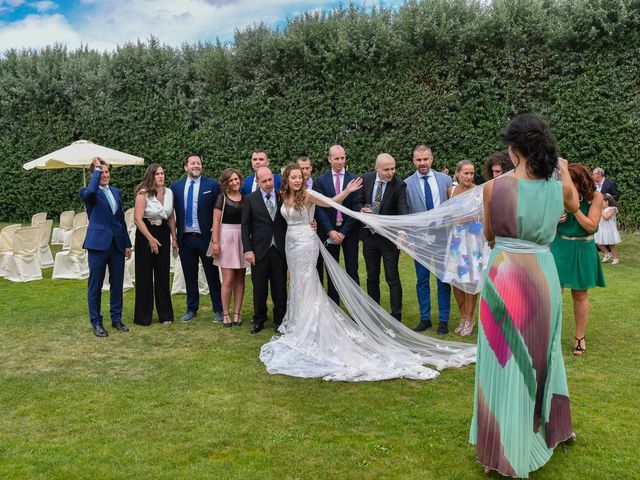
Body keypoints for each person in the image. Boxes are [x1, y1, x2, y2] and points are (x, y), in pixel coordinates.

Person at [259, 163, 476, 381]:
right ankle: (298, 322)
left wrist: (347, 192)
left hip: (306, 242)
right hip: (291, 242)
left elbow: (332, 203)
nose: (298, 180)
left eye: (300, 177)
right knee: (297, 282)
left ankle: (310, 325)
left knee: (308, 281)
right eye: (294, 177)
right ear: (286, 179)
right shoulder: (283, 196)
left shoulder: (308, 194)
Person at [470, 113, 578, 477]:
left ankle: (502, 446)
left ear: (513, 149)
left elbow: (488, 234)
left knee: (502, 361)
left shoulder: (493, 188)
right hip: (543, 274)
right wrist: (561, 169)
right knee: (541, 355)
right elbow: (575, 204)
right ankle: (550, 427)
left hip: (503, 274)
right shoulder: (559, 187)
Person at [551, 163, 605, 356]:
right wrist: (554, 219)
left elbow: (591, 226)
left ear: (581, 182)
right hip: (560, 246)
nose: (567, 187)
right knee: (553, 293)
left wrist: (574, 209)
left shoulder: (596, 197)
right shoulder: (559, 194)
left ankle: (579, 337)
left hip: (583, 248)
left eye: (571, 183)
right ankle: (550, 337)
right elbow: (543, 223)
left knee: (580, 294)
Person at [79, 157, 132, 337]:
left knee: (117, 283)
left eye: (107, 171)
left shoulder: (116, 192)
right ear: (94, 174)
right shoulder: (87, 192)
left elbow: (120, 220)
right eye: (101, 171)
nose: (105, 174)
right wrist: (96, 171)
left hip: (116, 244)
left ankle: (116, 319)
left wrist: (127, 244)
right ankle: (96, 322)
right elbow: (90, 194)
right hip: (97, 245)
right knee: (95, 285)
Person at [405, 144, 453, 334]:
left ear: (431, 159)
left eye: (426, 159)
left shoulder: (445, 180)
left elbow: (453, 207)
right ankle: (425, 319)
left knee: (443, 279)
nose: (422, 163)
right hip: (420, 239)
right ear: (413, 161)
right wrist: (410, 240)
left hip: (442, 236)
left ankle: (443, 320)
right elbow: (407, 213)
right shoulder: (407, 183)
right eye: (419, 160)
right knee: (422, 280)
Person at [170, 153, 223, 323]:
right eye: (192, 163)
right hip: (185, 239)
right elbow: (171, 213)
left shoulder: (212, 185)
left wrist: (216, 238)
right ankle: (192, 308)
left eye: (198, 163)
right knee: (189, 275)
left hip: (206, 238)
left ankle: (219, 309)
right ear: (186, 167)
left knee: (212, 274)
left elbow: (220, 212)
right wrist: (174, 238)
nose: (196, 166)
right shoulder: (176, 187)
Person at [356, 153, 408, 322]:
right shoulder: (367, 178)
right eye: (386, 169)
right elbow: (357, 201)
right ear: (376, 168)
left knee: (392, 277)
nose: (391, 172)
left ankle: (396, 315)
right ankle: (374, 312)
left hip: (389, 239)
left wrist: (401, 233)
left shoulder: (399, 185)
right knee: (372, 276)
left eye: (393, 168)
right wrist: (361, 209)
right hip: (369, 237)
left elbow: (403, 210)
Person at [241, 167, 289, 333]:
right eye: (264, 181)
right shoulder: (250, 199)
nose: (268, 184)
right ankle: (259, 318)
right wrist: (248, 250)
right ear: (257, 182)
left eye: (270, 180)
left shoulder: (283, 196)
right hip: (259, 251)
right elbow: (245, 228)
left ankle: (280, 319)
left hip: (279, 249)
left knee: (280, 287)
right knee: (259, 288)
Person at [313, 144, 361, 304]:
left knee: (352, 271)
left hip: (350, 232)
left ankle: (357, 310)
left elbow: (356, 208)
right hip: (329, 232)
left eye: (342, 158)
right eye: (336, 158)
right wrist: (330, 231)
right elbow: (319, 208)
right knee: (331, 271)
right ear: (329, 159)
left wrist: (344, 232)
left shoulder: (354, 180)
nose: (340, 161)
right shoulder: (321, 180)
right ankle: (335, 308)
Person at [133, 163, 177, 326]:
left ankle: (165, 315)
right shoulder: (143, 194)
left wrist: (174, 238)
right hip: (145, 233)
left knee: (162, 274)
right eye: (157, 174)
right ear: (151, 176)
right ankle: (143, 317)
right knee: (144, 275)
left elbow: (171, 216)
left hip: (163, 232)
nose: (161, 176)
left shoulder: (170, 193)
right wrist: (151, 239)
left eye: (162, 173)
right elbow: (137, 218)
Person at [443, 160, 483, 337]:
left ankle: (470, 318)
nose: (469, 176)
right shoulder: (450, 191)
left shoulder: (478, 191)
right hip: (456, 240)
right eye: (465, 173)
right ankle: (462, 316)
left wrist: (465, 218)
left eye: (471, 173)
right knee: (455, 279)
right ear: (457, 173)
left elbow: (483, 215)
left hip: (472, 240)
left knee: (469, 280)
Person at [210, 168, 248, 327]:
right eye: (231, 180)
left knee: (240, 279)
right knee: (228, 279)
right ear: (226, 182)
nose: (234, 182)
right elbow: (216, 222)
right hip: (225, 237)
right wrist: (215, 242)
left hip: (242, 238)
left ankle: (237, 313)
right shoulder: (222, 198)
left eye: (236, 179)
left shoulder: (246, 198)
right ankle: (226, 314)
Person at [595, 193, 621, 264]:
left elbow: (606, 217)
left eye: (602, 201)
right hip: (601, 229)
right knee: (597, 242)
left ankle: (615, 259)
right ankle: (607, 253)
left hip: (609, 230)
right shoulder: (601, 209)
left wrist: (600, 209)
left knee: (611, 245)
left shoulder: (612, 209)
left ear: (607, 201)